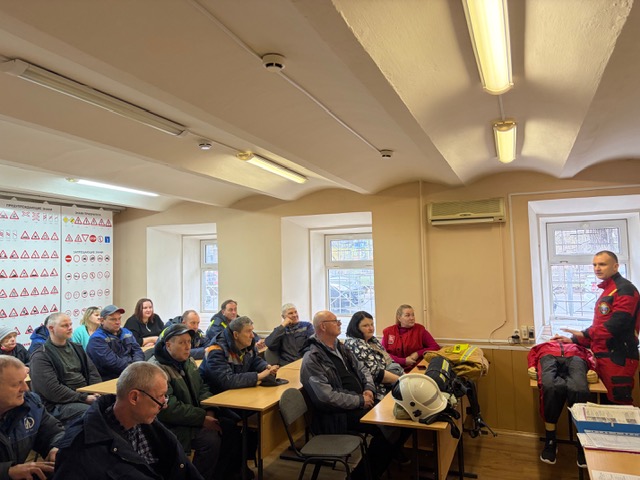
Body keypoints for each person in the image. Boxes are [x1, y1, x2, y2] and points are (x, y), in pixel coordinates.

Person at [300, 310, 409, 480]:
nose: (339, 323)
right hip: (336, 415)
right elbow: (325, 397)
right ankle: (361, 476)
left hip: (359, 402)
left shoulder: (340, 347)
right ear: (323, 326)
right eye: (335, 321)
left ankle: (376, 467)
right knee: (389, 427)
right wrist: (359, 400)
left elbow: (363, 370)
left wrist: (368, 389)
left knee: (401, 422)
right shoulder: (312, 358)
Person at [51, 362, 203, 480]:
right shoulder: (80, 448)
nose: (164, 405)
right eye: (159, 397)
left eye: (165, 396)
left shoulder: (148, 425)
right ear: (134, 397)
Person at [552, 250, 640, 404]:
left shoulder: (624, 290)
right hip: (603, 357)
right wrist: (573, 340)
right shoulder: (608, 290)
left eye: (602, 264)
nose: (597, 268)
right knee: (603, 405)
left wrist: (583, 334)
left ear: (615, 266)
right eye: (594, 265)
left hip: (619, 358)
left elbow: (615, 326)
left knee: (618, 406)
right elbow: (599, 329)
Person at [149, 324, 224, 480]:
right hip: (170, 425)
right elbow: (169, 409)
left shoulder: (188, 361)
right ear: (168, 345)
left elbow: (202, 387)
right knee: (210, 440)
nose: (187, 346)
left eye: (189, 342)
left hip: (191, 418)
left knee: (228, 425)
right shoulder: (157, 369)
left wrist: (209, 411)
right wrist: (202, 418)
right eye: (182, 342)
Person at [527, 340, 597, 466]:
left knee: (579, 389)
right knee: (550, 387)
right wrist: (531, 365)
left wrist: (592, 369)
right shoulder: (544, 345)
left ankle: (582, 443)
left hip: (576, 358)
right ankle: (550, 441)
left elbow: (589, 355)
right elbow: (533, 352)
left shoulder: (577, 346)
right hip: (548, 356)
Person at [29, 312, 102, 425]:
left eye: (70, 324)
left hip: (84, 395)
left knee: (113, 404)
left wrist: (96, 391)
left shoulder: (77, 348)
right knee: (93, 412)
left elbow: (92, 372)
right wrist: (84, 398)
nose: (70, 328)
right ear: (51, 328)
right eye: (64, 325)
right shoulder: (41, 356)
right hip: (57, 405)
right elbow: (53, 390)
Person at [0, 356, 65, 480]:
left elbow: (52, 431)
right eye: (16, 384)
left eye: (24, 381)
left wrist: (55, 447)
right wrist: (8, 472)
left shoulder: (30, 404)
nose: (26, 388)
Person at [200, 316, 278, 394]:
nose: (252, 335)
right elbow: (226, 380)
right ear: (236, 335)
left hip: (235, 391)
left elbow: (254, 360)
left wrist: (266, 367)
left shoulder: (246, 345)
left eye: (252, 331)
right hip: (214, 395)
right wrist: (259, 376)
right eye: (248, 331)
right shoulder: (216, 350)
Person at [344, 311, 403, 401]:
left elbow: (388, 359)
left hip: (392, 378)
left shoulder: (372, 340)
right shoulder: (354, 344)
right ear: (356, 328)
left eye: (372, 324)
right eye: (366, 326)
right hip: (377, 390)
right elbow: (377, 374)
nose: (371, 328)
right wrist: (402, 380)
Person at [86, 305, 145, 380]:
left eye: (119, 319)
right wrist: (134, 370)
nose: (118, 322)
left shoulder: (126, 332)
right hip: (110, 377)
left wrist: (138, 365)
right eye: (113, 319)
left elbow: (137, 351)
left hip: (131, 372)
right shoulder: (97, 339)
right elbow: (112, 363)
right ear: (102, 321)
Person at [382, 304, 440, 372]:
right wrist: (403, 361)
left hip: (416, 369)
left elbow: (435, 347)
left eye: (413, 315)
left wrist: (417, 353)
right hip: (394, 369)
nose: (412, 318)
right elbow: (383, 354)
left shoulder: (420, 330)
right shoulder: (388, 332)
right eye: (407, 315)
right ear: (399, 318)